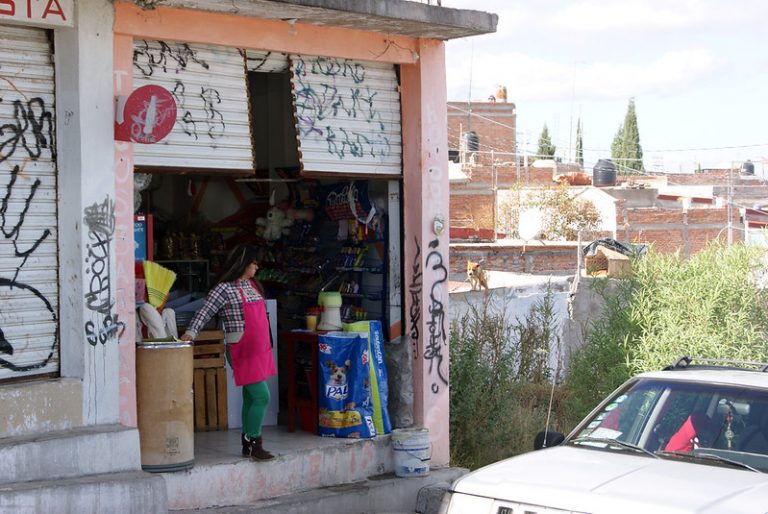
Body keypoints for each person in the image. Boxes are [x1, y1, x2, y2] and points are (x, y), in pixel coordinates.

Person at [181, 244, 276, 461]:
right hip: (241, 351)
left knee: (251, 397)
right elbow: (204, 312)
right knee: (262, 396)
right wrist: (191, 333)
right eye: (253, 262)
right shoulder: (223, 289)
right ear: (242, 264)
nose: (256, 266)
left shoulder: (252, 285)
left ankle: (247, 444)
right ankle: (255, 443)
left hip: (259, 350)